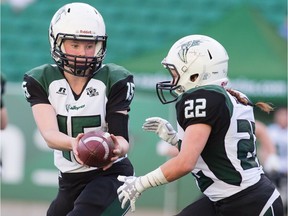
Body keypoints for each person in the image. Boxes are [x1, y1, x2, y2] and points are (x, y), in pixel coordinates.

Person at [117, 34, 284, 215]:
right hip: (226, 199)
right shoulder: (231, 95)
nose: (172, 80)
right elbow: (216, 149)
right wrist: (176, 140)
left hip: (249, 204)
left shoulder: (203, 98)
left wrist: (141, 183)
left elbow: (185, 163)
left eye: (175, 73)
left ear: (195, 73)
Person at [22, 3, 135, 216]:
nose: (83, 53)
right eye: (75, 45)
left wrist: (115, 148)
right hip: (69, 181)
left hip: (110, 176)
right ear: (57, 42)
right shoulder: (41, 80)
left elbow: (122, 139)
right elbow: (49, 135)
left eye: (89, 45)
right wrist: (75, 143)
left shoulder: (115, 78)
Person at [267, 107, 288, 215]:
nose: (283, 118)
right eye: (281, 115)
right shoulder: (271, 130)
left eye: (285, 115)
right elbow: (264, 150)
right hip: (275, 171)